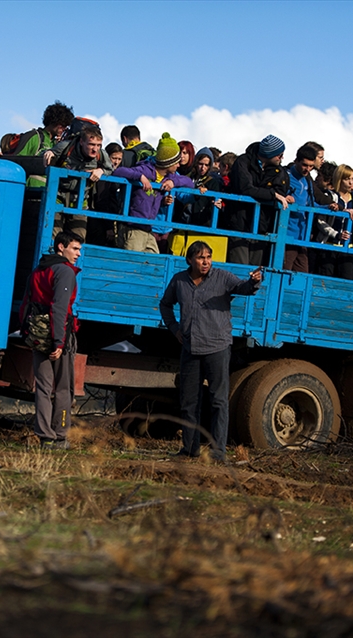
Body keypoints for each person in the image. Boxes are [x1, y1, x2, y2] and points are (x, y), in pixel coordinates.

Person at [159, 241, 263, 461]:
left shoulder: (223, 277)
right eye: (200, 257)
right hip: (190, 348)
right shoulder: (179, 280)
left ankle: (218, 451)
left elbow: (243, 288)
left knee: (218, 400)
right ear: (190, 260)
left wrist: (254, 282)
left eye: (208, 257)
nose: (205, 261)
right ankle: (190, 449)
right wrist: (175, 328)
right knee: (189, 402)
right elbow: (165, 305)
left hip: (217, 347)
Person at [20, 231, 83, 450]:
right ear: (60, 247)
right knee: (64, 389)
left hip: (37, 336)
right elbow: (59, 308)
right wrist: (58, 342)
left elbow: (26, 303)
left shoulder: (38, 270)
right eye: (75, 248)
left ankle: (44, 436)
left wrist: (28, 333)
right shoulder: (65, 272)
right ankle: (59, 436)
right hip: (58, 336)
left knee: (43, 388)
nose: (78, 254)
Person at [111, 133, 195, 253]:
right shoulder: (145, 169)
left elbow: (189, 183)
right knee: (131, 262)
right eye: (175, 162)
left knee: (154, 261)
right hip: (134, 226)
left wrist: (173, 181)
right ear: (168, 163)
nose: (178, 164)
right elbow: (119, 172)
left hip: (148, 226)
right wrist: (140, 176)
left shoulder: (168, 176)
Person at [226, 135, 292, 265]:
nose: (282, 158)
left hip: (261, 225)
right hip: (240, 222)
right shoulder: (243, 162)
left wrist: (281, 195)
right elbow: (246, 188)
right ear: (269, 154)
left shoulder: (277, 170)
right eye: (279, 155)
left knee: (256, 271)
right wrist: (273, 195)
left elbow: (280, 189)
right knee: (240, 268)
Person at [44, 125, 113, 242]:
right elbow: (45, 158)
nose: (95, 149)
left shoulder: (101, 155)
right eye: (91, 144)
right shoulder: (65, 147)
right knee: (53, 236)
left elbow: (110, 169)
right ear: (81, 142)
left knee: (78, 239)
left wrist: (101, 171)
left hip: (81, 200)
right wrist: (48, 153)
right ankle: (53, 259)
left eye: (98, 145)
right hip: (58, 196)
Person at [317, 164, 353, 279]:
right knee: (324, 278)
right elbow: (321, 221)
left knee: (346, 279)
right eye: (347, 179)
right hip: (328, 245)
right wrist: (336, 234)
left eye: (352, 179)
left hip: (348, 248)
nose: (350, 182)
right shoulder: (330, 196)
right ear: (339, 179)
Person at [283, 144, 318, 272]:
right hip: (287, 234)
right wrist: (284, 197)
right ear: (296, 161)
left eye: (311, 166)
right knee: (283, 272)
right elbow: (274, 192)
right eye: (304, 165)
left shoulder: (307, 181)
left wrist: (332, 206)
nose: (307, 169)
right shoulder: (285, 177)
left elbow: (311, 204)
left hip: (302, 236)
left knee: (302, 275)